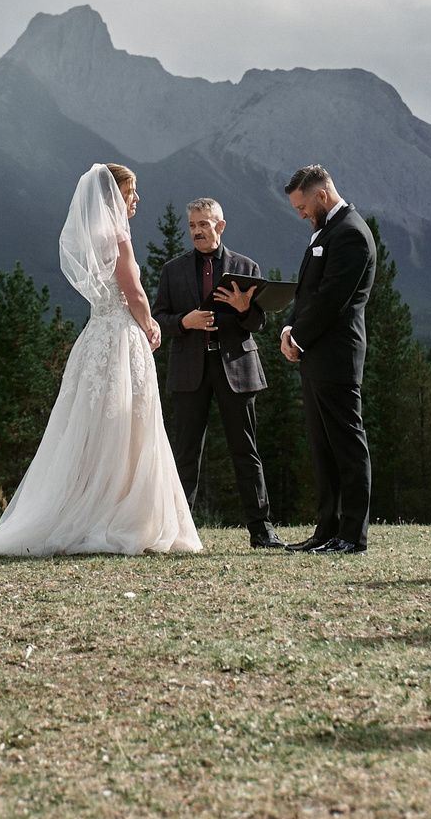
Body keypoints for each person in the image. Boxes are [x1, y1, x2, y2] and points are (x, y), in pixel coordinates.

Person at [0, 165, 198, 557]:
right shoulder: (119, 238)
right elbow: (135, 294)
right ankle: (123, 512)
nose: (136, 199)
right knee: (130, 422)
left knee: (95, 425)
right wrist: (150, 327)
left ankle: (96, 505)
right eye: (132, 192)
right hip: (120, 339)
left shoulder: (92, 239)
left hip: (96, 337)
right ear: (115, 196)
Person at [152, 197, 278, 547]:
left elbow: (259, 322)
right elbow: (157, 319)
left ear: (220, 226)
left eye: (203, 224)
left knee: (245, 450)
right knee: (186, 453)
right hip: (189, 370)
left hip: (236, 368)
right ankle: (179, 533)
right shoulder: (172, 271)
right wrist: (184, 321)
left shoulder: (246, 267)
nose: (196, 231)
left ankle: (262, 531)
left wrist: (242, 309)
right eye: (192, 225)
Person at [279, 165, 376, 554]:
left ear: (321, 195)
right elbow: (308, 293)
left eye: (302, 205)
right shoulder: (325, 230)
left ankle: (352, 535)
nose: (300, 213)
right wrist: (289, 329)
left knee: (348, 447)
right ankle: (327, 530)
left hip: (337, 355)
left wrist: (298, 337)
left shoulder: (351, 233)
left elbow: (333, 299)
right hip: (315, 355)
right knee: (322, 449)